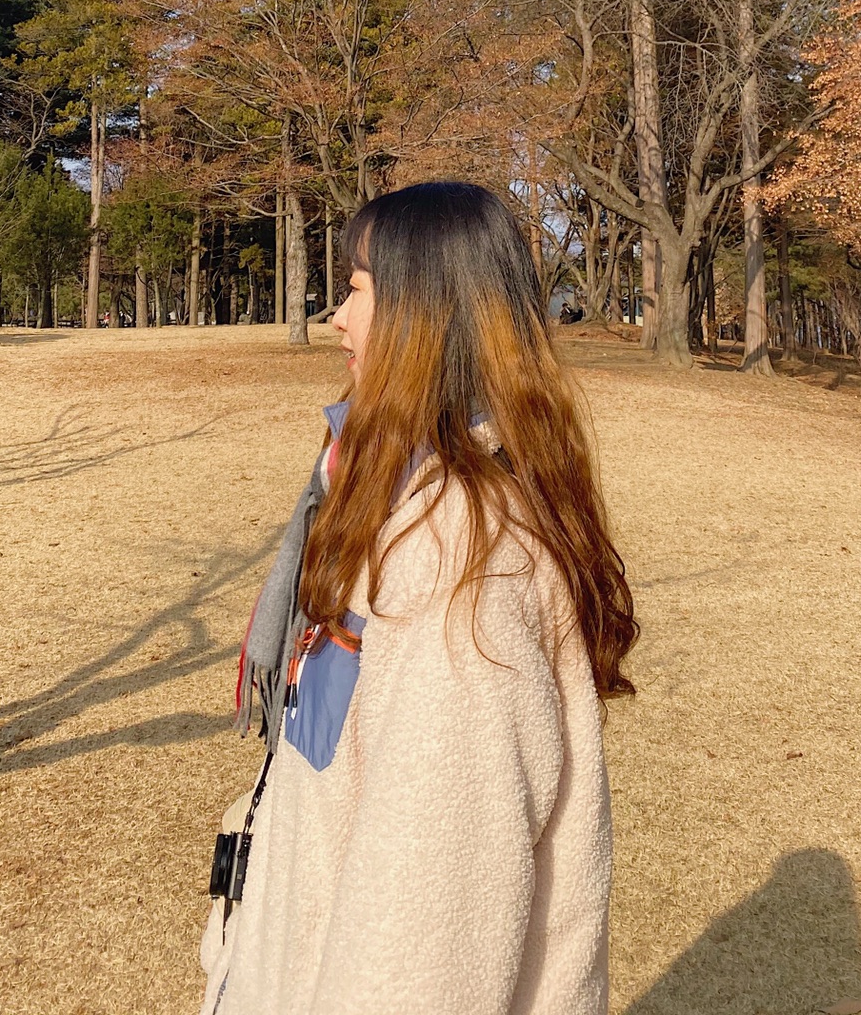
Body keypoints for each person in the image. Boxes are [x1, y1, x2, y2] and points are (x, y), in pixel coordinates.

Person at [200, 181, 638, 1015]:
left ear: (421, 314)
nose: (336, 316)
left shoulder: (456, 567)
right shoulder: (396, 503)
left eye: (357, 288)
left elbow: (425, 931)